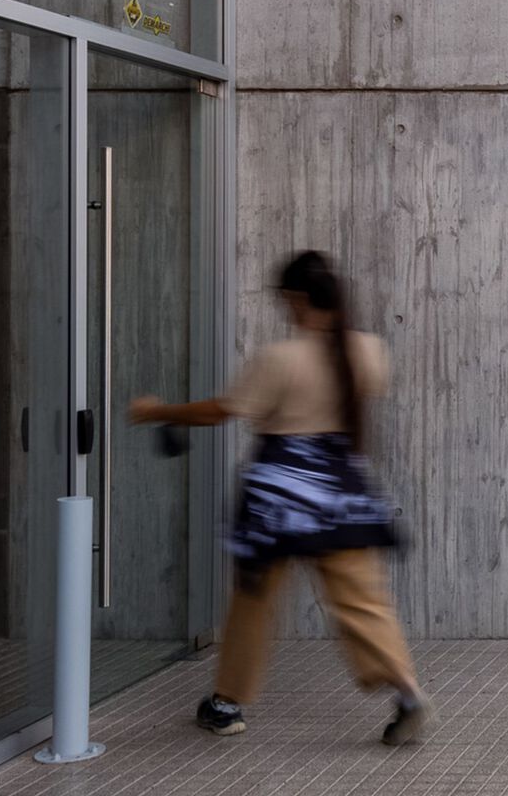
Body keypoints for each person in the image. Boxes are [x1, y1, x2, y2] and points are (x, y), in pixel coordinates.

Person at [129, 247, 428, 746]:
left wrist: (159, 412)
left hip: (278, 497)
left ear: (294, 299)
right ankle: (408, 692)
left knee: (254, 600)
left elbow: (221, 411)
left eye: (283, 299)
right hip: (342, 491)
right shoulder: (370, 351)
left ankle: (226, 704)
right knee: (362, 600)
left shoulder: (279, 359)